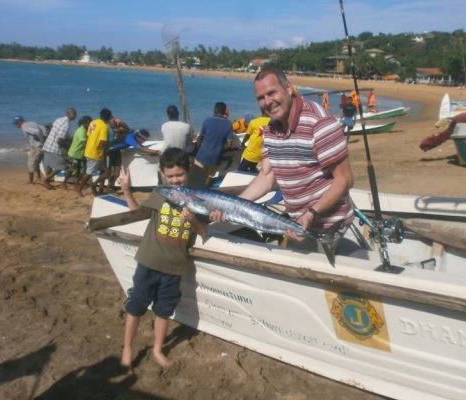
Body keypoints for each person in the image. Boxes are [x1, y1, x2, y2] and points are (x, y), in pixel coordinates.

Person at [212, 65, 354, 251]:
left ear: (289, 89)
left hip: (330, 227)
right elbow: (266, 177)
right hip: (296, 226)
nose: (267, 102)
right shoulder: (270, 130)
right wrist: (232, 207)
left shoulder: (319, 123)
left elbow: (345, 179)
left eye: (272, 93)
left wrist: (311, 213)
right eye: (261, 98)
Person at [117, 148, 207, 369]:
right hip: (149, 261)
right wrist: (126, 190)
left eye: (180, 175)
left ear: (188, 171)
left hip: (174, 267)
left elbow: (203, 232)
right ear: (162, 175)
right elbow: (136, 211)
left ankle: (157, 349)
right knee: (136, 304)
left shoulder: (196, 199)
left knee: (164, 310)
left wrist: (193, 219)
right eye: (170, 176)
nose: (176, 180)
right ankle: (127, 348)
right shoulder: (160, 194)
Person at [193, 101, 233, 186]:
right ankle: (205, 192)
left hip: (202, 155)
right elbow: (229, 145)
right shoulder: (228, 124)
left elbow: (200, 138)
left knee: (196, 177)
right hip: (215, 158)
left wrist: (197, 149)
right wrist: (219, 148)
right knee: (208, 177)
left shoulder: (207, 121)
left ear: (214, 110)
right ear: (224, 111)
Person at [76, 108, 112, 197]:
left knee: (104, 171)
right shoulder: (104, 126)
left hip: (89, 149)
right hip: (95, 152)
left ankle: (96, 187)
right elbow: (102, 142)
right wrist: (108, 146)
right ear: (108, 118)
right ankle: (79, 189)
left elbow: (90, 134)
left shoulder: (93, 122)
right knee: (89, 173)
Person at [41, 107, 77, 190]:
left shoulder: (59, 119)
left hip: (48, 144)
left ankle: (48, 182)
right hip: (54, 148)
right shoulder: (66, 124)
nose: (75, 116)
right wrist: (68, 146)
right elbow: (59, 140)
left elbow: (49, 126)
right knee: (61, 167)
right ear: (70, 114)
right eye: (74, 114)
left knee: (49, 165)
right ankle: (45, 180)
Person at [13, 115, 47, 184]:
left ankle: (31, 181)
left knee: (30, 163)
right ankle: (38, 177)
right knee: (37, 162)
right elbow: (43, 129)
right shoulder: (32, 123)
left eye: (16, 123)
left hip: (36, 147)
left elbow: (37, 131)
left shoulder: (24, 127)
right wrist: (43, 141)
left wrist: (41, 140)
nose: (16, 125)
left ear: (19, 122)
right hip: (40, 146)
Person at [63, 115, 92, 189]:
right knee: (71, 170)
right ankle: (64, 182)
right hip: (74, 154)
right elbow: (84, 144)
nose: (90, 125)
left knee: (82, 171)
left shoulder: (86, 130)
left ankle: (76, 184)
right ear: (85, 123)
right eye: (89, 123)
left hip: (80, 154)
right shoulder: (81, 131)